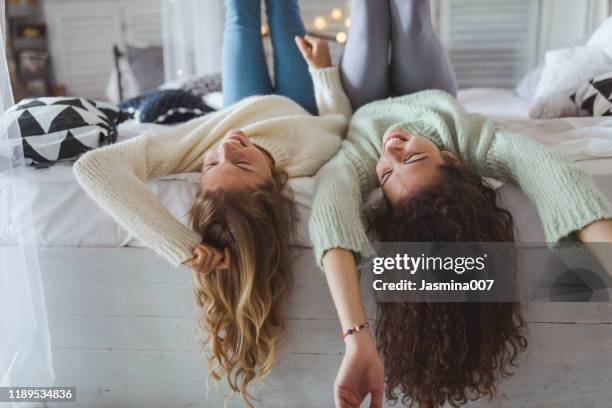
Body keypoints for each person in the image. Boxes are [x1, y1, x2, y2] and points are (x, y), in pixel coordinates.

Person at [298, 0, 612, 406]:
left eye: (387, 174)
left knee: (367, 24)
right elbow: (550, 175)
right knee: (411, 20)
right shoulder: (466, 140)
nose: (391, 150)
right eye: (413, 156)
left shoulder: (361, 154)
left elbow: (330, 214)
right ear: (453, 161)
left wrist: (356, 339)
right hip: (431, 88)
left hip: (365, 101)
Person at [73, 0, 353, 406]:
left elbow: (94, 168)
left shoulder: (199, 146)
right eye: (241, 161)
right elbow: (338, 121)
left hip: (240, 100)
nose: (226, 146)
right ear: (273, 184)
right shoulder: (308, 160)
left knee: (240, 16)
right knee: (283, 13)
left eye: (211, 164)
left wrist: (183, 246)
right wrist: (324, 72)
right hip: (303, 105)